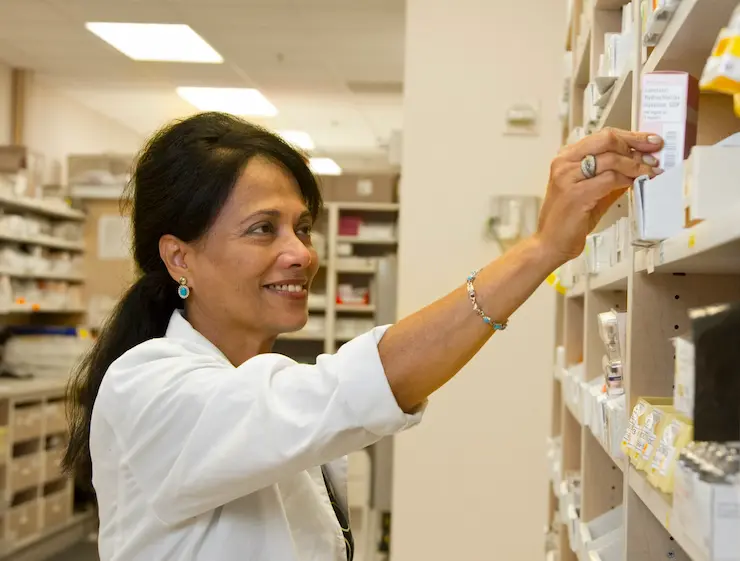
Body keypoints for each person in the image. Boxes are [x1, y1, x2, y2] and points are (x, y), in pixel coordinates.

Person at [63, 111, 663, 561]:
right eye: (261, 230)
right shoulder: (147, 387)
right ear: (180, 258)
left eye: (301, 227)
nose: (299, 253)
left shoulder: (259, 387)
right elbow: (352, 389)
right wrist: (539, 251)